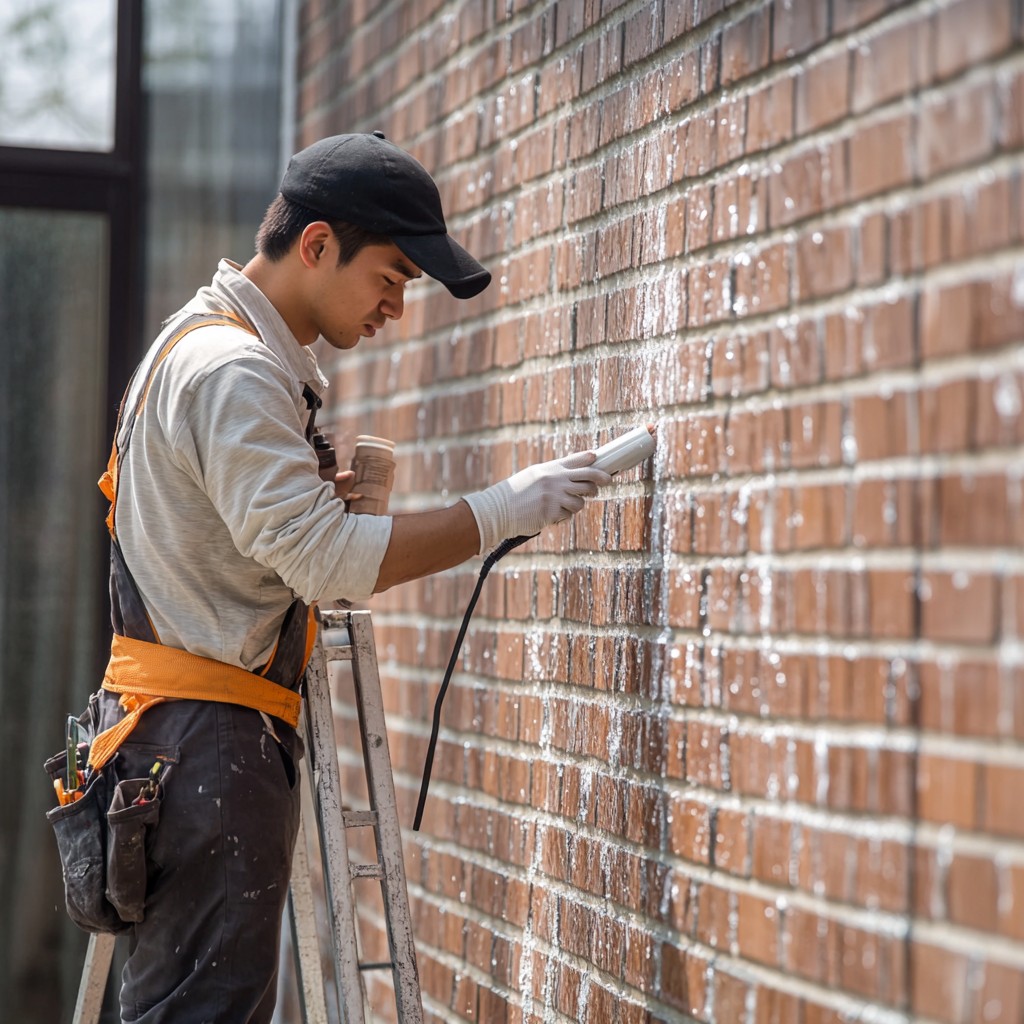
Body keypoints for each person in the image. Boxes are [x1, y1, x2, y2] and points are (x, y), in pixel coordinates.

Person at [84, 131, 610, 1022]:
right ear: (318, 244)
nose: (396, 309)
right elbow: (326, 562)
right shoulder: (234, 371)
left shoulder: (202, 345)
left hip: (181, 737)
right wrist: (502, 511)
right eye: (393, 277)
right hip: (207, 746)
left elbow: (238, 530)